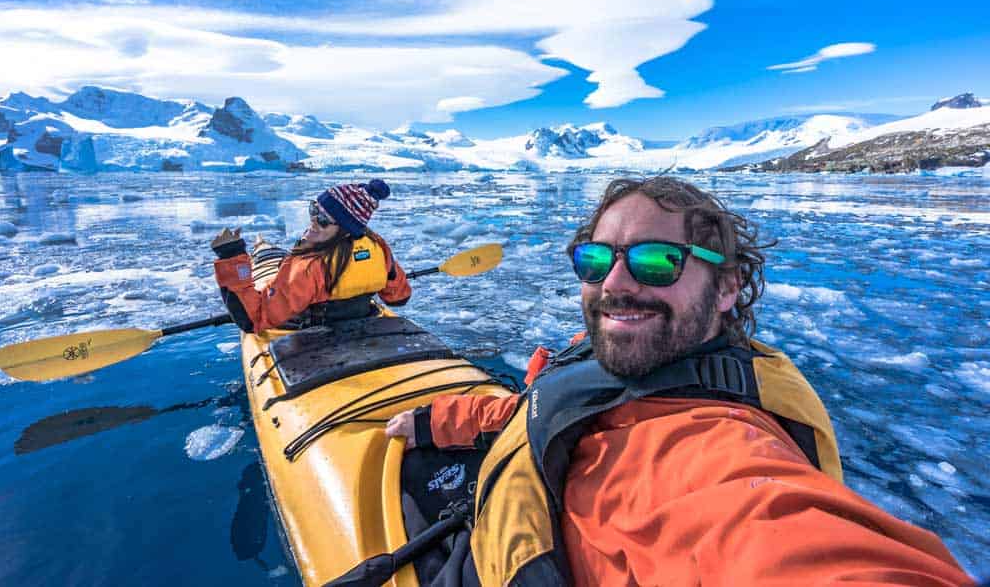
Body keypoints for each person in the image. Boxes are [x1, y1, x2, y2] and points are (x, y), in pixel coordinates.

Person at [385, 176, 974, 586]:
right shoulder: (614, 355)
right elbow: (538, 407)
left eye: (657, 261)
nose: (615, 283)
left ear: (726, 286)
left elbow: (770, 533)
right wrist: (440, 421)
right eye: (596, 260)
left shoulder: (710, 444)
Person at [211, 179, 411, 333]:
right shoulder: (377, 247)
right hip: (364, 324)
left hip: (316, 337)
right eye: (313, 210)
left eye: (323, 220)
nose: (314, 221)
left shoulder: (309, 267)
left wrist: (230, 256)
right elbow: (399, 297)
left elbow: (253, 319)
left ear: (346, 229)